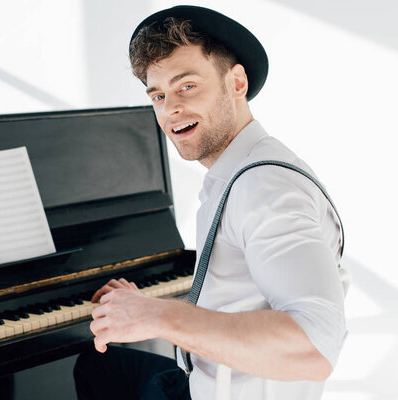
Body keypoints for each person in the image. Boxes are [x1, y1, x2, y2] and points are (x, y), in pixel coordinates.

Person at [74, 5, 348, 400]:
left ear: (236, 83)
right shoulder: (236, 173)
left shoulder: (265, 188)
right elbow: (237, 297)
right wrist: (142, 304)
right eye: (158, 95)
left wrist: (158, 315)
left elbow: (314, 346)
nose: (170, 109)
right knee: (103, 366)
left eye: (187, 86)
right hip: (207, 382)